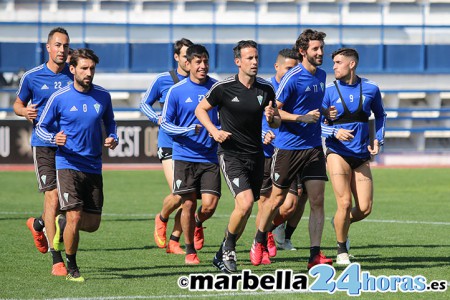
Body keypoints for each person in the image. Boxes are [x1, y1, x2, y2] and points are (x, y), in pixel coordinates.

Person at [195, 40, 281, 273]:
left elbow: (275, 120)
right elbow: (200, 109)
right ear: (238, 62)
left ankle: (221, 251)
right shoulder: (223, 88)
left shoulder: (266, 89)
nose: (254, 62)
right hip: (231, 154)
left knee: (246, 209)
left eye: (256, 57)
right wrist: (214, 131)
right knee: (243, 205)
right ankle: (229, 249)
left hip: (256, 156)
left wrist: (272, 118)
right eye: (249, 58)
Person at [36, 48, 118, 282]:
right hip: (67, 164)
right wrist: (54, 139)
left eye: (92, 68)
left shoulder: (103, 96)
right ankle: (71, 267)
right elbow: (42, 126)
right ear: (72, 70)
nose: (89, 72)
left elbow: (111, 123)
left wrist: (113, 138)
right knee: (74, 215)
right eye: (84, 68)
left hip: (93, 167)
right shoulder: (59, 97)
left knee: (91, 224)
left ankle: (60, 225)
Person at [255, 29, 333, 270]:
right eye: (315, 49)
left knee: (317, 200)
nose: (321, 52)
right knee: (277, 199)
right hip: (288, 148)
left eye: (321, 48)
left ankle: (315, 255)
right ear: (303, 52)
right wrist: (301, 118)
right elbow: (274, 112)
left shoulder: (321, 75)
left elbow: (314, 107)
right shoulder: (292, 77)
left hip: (313, 148)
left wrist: (324, 114)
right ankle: (259, 240)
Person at [13, 27, 73, 276]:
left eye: (65, 46)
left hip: (70, 147)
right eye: (57, 45)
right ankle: (56, 259)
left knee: (65, 204)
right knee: (53, 197)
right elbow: (18, 104)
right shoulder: (32, 76)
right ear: (48, 47)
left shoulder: (75, 74)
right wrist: (24, 111)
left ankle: (38, 224)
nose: (61, 50)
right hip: (44, 144)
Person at [321, 48, 386, 265]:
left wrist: (377, 139)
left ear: (352, 64)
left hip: (361, 154)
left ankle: (339, 222)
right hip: (337, 152)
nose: (334, 66)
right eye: (333, 63)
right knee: (345, 203)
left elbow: (381, 115)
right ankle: (341, 251)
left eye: (338, 62)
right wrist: (333, 131)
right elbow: (315, 123)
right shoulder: (327, 91)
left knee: (365, 208)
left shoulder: (371, 88)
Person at [160, 44, 221, 264]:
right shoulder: (176, 91)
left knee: (210, 205)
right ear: (189, 63)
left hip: (210, 156)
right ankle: (189, 251)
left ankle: (196, 222)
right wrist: (186, 130)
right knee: (187, 203)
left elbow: (224, 117)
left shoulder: (217, 88)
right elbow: (165, 123)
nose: (203, 65)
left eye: (205, 61)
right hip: (185, 155)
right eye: (198, 61)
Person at [140, 38, 194, 255]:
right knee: (181, 193)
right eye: (185, 57)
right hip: (169, 143)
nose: (190, 62)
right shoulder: (163, 80)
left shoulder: (200, 81)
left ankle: (174, 240)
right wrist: (157, 118)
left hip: (193, 146)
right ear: (176, 57)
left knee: (190, 197)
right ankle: (161, 217)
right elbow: (144, 103)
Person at [255, 48, 303, 264]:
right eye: (289, 68)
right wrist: (263, 133)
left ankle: (267, 231)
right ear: (277, 66)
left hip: (290, 151)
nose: (293, 73)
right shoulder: (263, 88)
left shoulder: (298, 86)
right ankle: (261, 243)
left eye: (296, 68)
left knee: (290, 204)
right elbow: (249, 120)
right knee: (266, 201)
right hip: (266, 154)